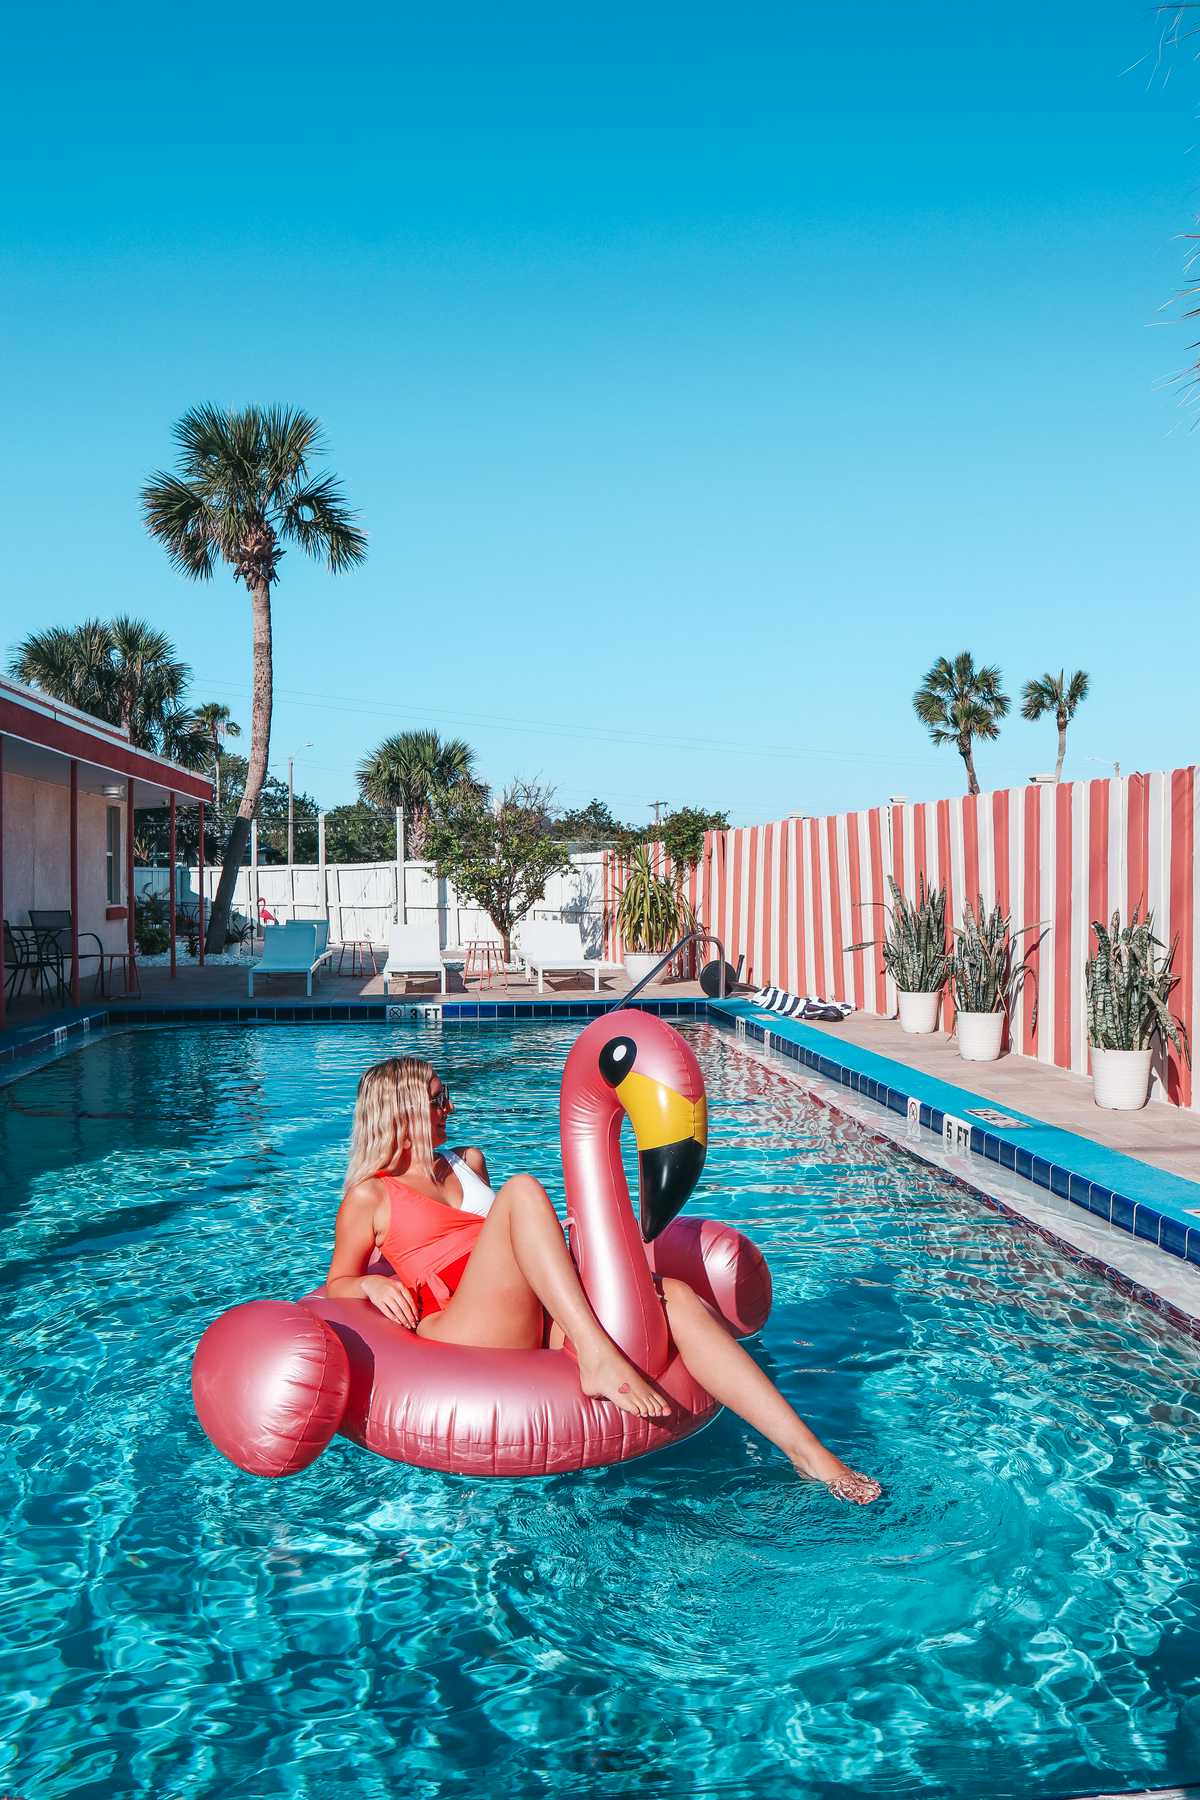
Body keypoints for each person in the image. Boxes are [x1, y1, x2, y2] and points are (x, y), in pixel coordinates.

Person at [326, 1056, 881, 1504]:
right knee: (523, 1190)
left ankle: (811, 1455)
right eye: (437, 1099)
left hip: (527, 1307)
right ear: (402, 1112)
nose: (450, 1106)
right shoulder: (370, 1196)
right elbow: (337, 1284)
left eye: (446, 1094)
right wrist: (370, 1286)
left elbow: (501, 1244)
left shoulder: (466, 1160)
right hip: (461, 1324)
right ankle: (596, 1358)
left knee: (676, 1298)